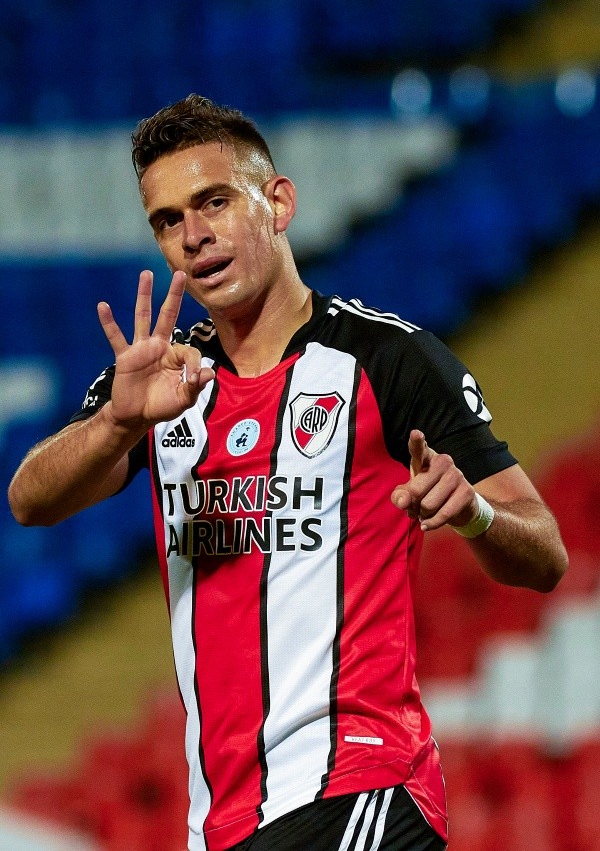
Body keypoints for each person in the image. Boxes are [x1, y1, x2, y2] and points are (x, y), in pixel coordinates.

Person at [8, 95, 568, 851]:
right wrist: (115, 421)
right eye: (168, 221)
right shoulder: (162, 382)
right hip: (222, 822)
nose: (193, 236)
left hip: (361, 787)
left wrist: (473, 513)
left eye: (213, 202)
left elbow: (545, 553)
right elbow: (28, 502)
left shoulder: (388, 361)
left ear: (277, 203)